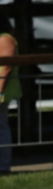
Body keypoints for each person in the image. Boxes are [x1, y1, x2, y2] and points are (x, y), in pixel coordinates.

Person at [0, 16, 22, 175]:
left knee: (1, 127)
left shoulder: (5, 39)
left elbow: (6, 66)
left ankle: (3, 166)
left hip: (2, 89)